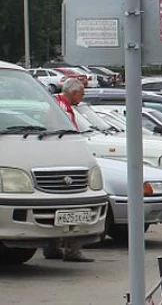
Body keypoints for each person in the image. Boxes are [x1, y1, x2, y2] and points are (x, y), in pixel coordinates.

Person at [44, 78, 93, 263]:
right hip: (64, 163)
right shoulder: (62, 109)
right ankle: (72, 250)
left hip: (55, 163)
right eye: (81, 94)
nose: (82, 98)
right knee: (75, 205)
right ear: (73, 93)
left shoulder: (57, 104)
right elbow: (64, 135)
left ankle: (53, 247)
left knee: (55, 206)